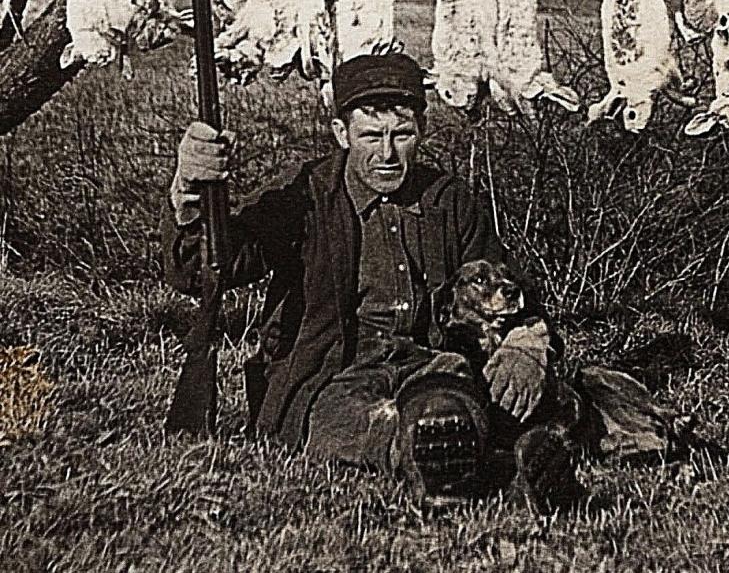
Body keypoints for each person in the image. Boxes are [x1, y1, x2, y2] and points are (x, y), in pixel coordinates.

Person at [161, 54, 591, 506]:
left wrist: (525, 345)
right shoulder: (304, 196)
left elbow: (507, 283)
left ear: (420, 131)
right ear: (341, 134)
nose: (387, 154)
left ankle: (452, 452)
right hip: (329, 378)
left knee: (448, 393)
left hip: (429, 366)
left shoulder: (449, 201)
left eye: (401, 135)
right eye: (370, 136)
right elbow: (204, 269)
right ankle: (489, 464)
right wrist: (191, 194)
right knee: (346, 420)